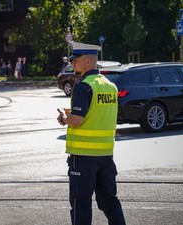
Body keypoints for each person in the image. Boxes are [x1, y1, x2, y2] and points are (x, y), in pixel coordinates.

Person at [57, 41, 126, 225]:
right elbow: (98, 113)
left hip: (84, 157)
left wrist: (65, 118)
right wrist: (74, 114)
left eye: (75, 60)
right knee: (109, 201)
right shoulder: (110, 86)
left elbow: (77, 121)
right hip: (105, 156)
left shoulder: (83, 86)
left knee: (81, 203)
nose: (72, 64)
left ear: (87, 61)